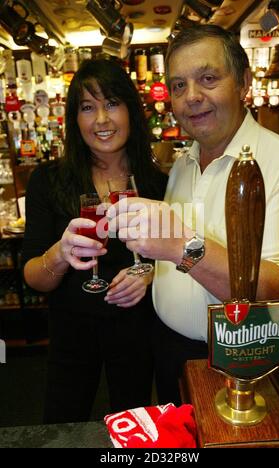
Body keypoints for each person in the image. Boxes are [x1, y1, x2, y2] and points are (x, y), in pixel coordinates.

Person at [107, 24, 279, 406]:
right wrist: (150, 275)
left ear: (244, 82)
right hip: (169, 351)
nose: (191, 97)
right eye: (178, 86)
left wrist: (182, 247)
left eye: (208, 78)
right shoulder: (184, 161)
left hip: (239, 364)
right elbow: (180, 259)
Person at [22, 57, 168, 423]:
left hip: (136, 330)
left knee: (134, 427)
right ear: (75, 119)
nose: (102, 120)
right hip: (71, 331)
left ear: (131, 112)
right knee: (62, 425)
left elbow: (177, 256)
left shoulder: (157, 184)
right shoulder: (48, 181)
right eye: (88, 107)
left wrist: (150, 274)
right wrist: (59, 254)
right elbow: (33, 278)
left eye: (112, 104)